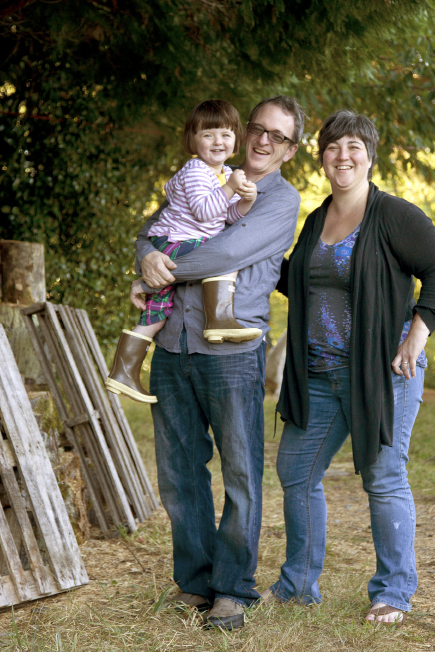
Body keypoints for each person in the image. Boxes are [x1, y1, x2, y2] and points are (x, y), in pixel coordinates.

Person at [263, 110, 435, 626]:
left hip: (384, 373)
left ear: (370, 154)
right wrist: (247, 254)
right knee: (295, 472)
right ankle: (298, 585)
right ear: (321, 156)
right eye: (332, 147)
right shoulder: (315, 218)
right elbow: (298, 283)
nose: (342, 156)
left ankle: (393, 592)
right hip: (320, 375)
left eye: (353, 146)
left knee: (384, 475)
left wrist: (416, 337)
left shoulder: (394, 215)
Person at [133, 96, 306, 630]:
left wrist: (159, 265)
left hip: (232, 354)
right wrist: (145, 251)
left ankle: (232, 589)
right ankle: (194, 581)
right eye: (257, 128)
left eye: (277, 136)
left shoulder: (280, 200)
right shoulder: (208, 174)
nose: (261, 140)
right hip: (175, 347)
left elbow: (225, 253)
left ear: (290, 150)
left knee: (239, 473)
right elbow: (156, 224)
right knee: (179, 474)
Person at [105, 99, 260, 405]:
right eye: (208, 134)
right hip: (175, 242)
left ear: (236, 141)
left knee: (159, 312)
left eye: (226, 135)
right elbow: (205, 212)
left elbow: (226, 217)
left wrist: (246, 200)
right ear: (193, 139)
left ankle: (122, 372)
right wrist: (230, 187)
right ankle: (219, 319)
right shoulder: (196, 170)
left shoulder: (223, 173)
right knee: (228, 255)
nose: (218, 141)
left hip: (183, 242)